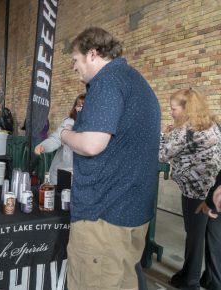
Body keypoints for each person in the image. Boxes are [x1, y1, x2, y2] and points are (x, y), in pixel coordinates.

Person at [60, 27, 161, 290]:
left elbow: (92, 144)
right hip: (132, 212)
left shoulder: (107, 81)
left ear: (92, 54)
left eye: (75, 59)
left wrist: (66, 134)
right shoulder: (135, 81)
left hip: (103, 216)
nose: (74, 67)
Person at [158, 88, 221, 290]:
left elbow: (161, 155)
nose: (172, 113)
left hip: (196, 192)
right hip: (216, 191)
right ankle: (212, 281)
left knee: (194, 237)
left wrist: (162, 134)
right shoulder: (214, 125)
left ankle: (190, 282)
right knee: (213, 238)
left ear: (186, 109)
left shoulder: (184, 130)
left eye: (174, 109)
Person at [34, 93, 85, 185]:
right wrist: (43, 146)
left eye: (84, 106)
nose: (80, 109)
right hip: (61, 174)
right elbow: (55, 139)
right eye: (78, 106)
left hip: (81, 177)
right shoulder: (68, 122)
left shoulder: (96, 129)